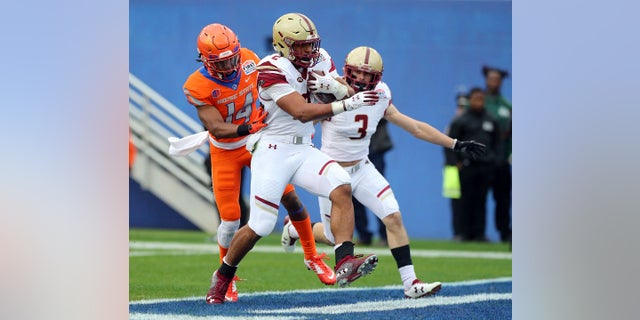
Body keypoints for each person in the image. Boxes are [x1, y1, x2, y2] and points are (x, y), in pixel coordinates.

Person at [205, 13, 384, 304]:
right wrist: (344, 102)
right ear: (283, 45)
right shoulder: (270, 67)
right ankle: (222, 276)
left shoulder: (321, 58)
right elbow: (300, 110)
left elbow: (340, 88)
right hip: (273, 150)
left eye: (310, 44)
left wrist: (338, 88)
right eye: (299, 46)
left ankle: (344, 262)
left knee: (341, 185)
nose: (308, 51)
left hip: (303, 148)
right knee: (260, 226)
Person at [282, 46, 486, 298]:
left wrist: (454, 143)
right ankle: (294, 228)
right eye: (357, 73)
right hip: (332, 174)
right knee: (337, 236)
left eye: (368, 75)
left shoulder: (381, 94)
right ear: (347, 70)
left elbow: (414, 127)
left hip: (362, 167)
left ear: (377, 77)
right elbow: (302, 121)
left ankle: (411, 283)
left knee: (393, 217)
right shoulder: (330, 92)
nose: (362, 79)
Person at [181, 22, 335, 303]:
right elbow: (216, 127)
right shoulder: (196, 85)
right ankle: (227, 278)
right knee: (230, 220)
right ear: (205, 60)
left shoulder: (252, 60)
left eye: (231, 58)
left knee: (292, 200)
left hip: (261, 144)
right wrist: (247, 128)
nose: (229, 65)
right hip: (227, 149)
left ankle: (312, 256)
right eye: (222, 61)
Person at [446, 87, 501, 242]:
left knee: (481, 200)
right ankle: (462, 233)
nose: (478, 101)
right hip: (466, 166)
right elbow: (450, 142)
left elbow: (498, 143)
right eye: (475, 98)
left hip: (485, 167)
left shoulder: (491, 120)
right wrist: (455, 162)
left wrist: (494, 160)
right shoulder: (461, 120)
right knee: (464, 200)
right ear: (470, 100)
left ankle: (479, 234)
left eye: (481, 98)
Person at [482, 65, 512, 242]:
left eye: (497, 79)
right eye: (490, 78)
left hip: (501, 160)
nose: (493, 82)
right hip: (481, 159)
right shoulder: (477, 101)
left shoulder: (506, 106)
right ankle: (475, 233)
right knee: (477, 198)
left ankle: (504, 231)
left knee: (503, 198)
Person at [442, 93, 468, 241]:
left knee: (469, 199)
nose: (461, 109)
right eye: (460, 106)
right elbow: (447, 146)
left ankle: (470, 232)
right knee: (456, 201)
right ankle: (458, 232)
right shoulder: (453, 123)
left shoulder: (467, 121)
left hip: (466, 166)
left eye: (464, 106)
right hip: (452, 168)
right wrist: (454, 162)